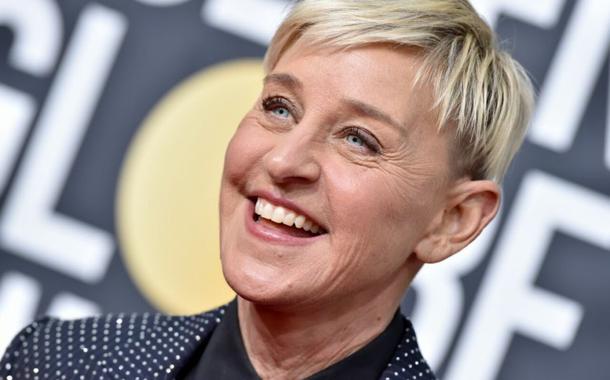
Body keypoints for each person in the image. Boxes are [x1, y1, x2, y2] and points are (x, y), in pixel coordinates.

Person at [0, 0, 534, 379]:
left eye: (359, 140)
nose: (283, 160)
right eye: (280, 107)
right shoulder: (59, 362)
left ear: (453, 220)